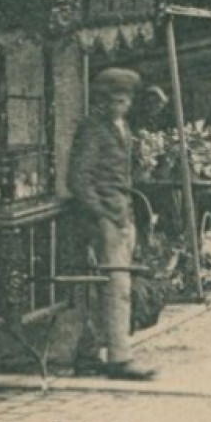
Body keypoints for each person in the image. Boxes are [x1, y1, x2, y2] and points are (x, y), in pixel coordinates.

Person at [66, 68, 156, 381]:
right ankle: (119, 358)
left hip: (122, 211)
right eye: (116, 100)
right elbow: (78, 178)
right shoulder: (93, 129)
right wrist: (102, 213)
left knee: (106, 286)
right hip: (106, 218)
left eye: (126, 99)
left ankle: (89, 354)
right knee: (117, 286)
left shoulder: (122, 126)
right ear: (103, 100)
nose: (123, 105)